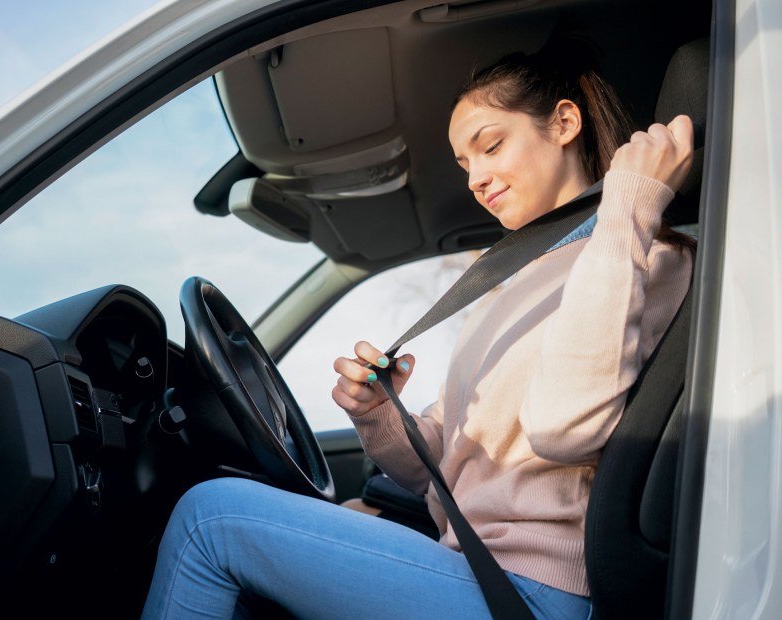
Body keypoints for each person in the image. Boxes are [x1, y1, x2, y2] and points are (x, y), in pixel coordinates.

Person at [140, 43, 694, 620]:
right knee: (344, 512)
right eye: (464, 164)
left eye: (491, 146)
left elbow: (563, 428)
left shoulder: (641, 258)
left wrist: (628, 208)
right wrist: (380, 416)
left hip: (533, 592)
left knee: (211, 521)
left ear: (563, 123)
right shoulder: (517, 278)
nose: (476, 178)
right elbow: (451, 468)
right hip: (480, 564)